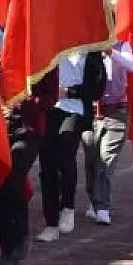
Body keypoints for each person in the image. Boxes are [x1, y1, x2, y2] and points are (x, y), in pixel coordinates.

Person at [36, 47, 105, 243]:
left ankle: (68, 206)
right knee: (47, 163)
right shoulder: (52, 45)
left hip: (75, 110)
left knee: (65, 153)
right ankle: (51, 222)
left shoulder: (91, 52)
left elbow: (97, 89)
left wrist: (68, 92)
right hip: (50, 109)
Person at [0, 67, 58, 265]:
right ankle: (6, 248)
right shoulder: (1, 50)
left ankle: (21, 237)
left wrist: (26, 100)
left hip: (28, 129)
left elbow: (50, 97)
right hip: (1, 126)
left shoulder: (43, 57)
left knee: (13, 179)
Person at [82, 38, 133, 226]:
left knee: (106, 159)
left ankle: (102, 206)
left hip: (116, 111)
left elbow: (131, 65)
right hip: (91, 111)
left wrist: (111, 51)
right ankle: (94, 200)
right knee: (91, 161)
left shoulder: (122, 45)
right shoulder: (86, 46)